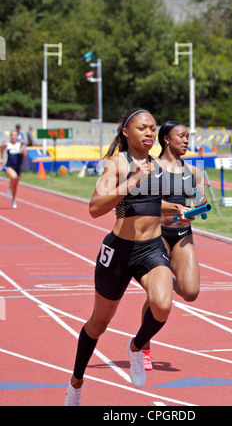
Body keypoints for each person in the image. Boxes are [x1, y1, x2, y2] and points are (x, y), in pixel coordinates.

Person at [64, 108, 191, 406]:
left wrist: (176, 210)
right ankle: (76, 384)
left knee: (162, 305)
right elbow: (95, 208)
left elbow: (150, 204)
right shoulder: (116, 164)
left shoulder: (158, 164)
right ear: (126, 132)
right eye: (142, 128)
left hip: (150, 248)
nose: (148, 133)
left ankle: (135, 347)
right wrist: (131, 181)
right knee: (98, 324)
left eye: (152, 128)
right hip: (118, 251)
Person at [140, 120, 207, 370]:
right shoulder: (151, 168)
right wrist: (175, 208)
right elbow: (146, 204)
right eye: (181, 136)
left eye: (188, 136)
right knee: (157, 297)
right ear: (166, 139)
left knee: (190, 292)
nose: (187, 141)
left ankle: (168, 281)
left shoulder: (194, 172)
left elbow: (195, 202)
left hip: (182, 234)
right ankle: (143, 347)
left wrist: (198, 207)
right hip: (155, 235)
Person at [0, 130, 27, 209]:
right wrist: (1, 158)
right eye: (12, 135)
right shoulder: (7, 144)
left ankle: (13, 200)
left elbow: (25, 154)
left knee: (15, 186)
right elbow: (1, 149)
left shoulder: (19, 145)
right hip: (9, 166)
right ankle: (9, 189)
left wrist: (23, 145)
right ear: (10, 136)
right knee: (13, 176)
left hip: (17, 167)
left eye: (15, 135)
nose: (14, 137)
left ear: (17, 136)